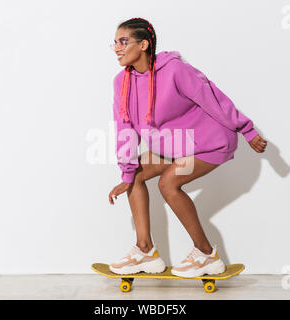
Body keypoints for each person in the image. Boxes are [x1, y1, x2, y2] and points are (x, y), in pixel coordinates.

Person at [107, 17, 267, 278]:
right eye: (114, 43)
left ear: (145, 44)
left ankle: (206, 255)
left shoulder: (175, 71)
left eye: (123, 41)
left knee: (168, 184)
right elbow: (124, 129)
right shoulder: (121, 83)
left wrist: (246, 130)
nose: (117, 48)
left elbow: (213, 98)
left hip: (211, 142)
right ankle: (145, 250)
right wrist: (126, 172)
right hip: (176, 146)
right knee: (134, 175)